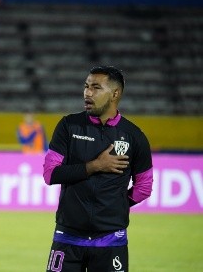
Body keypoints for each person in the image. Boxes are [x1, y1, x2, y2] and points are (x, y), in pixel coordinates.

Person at [42, 66, 154, 271]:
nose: (87, 93)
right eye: (86, 87)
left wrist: (116, 204)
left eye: (95, 87)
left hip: (110, 240)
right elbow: (50, 174)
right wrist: (95, 166)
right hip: (68, 237)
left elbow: (144, 187)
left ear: (115, 94)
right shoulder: (69, 125)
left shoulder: (134, 136)